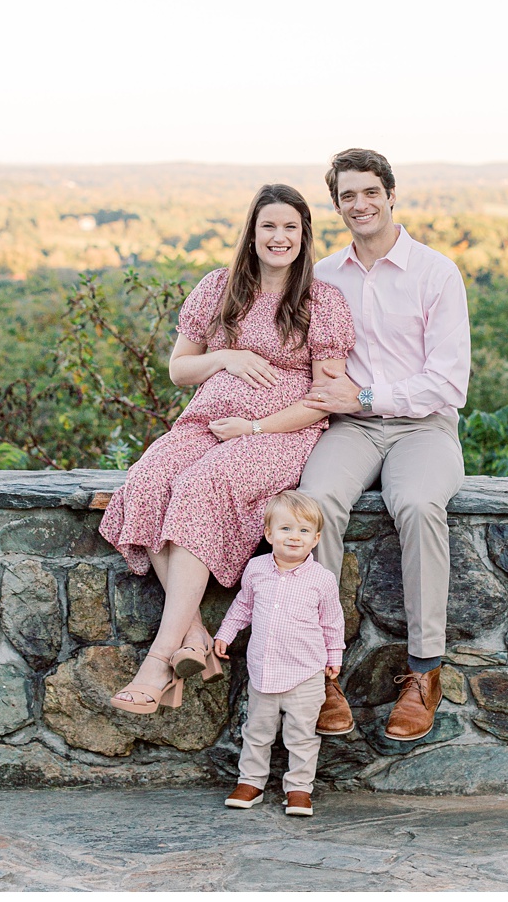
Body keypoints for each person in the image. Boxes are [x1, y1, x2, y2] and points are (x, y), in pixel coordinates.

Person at [98, 184, 355, 714]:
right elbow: (179, 369)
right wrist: (225, 358)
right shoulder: (219, 287)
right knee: (147, 481)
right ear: (251, 233)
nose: (279, 237)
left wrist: (255, 427)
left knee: (199, 486)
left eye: (290, 227)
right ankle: (195, 638)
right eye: (269, 226)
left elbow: (326, 397)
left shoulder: (321, 301)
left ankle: (159, 660)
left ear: (304, 235)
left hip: (278, 433)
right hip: (204, 423)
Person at [296, 147, 471, 741]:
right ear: (337, 204)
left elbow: (447, 383)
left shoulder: (436, 273)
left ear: (391, 195)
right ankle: (321, 672)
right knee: (314, 505)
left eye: (371, 192)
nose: (361, 204)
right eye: (348, 195)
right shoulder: (323, 276)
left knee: (418, 505)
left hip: (423, 426)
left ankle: (424, 671)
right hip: (352, 428)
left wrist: (367, 395)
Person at [216, 490, 345, 817]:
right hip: (264, 672)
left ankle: (299, 788)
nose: (294, 537)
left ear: (315, 539)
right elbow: (243, 606)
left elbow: (332, 622)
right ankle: (251, 782)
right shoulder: (256, 569)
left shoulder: (322, 580)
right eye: (286, 528)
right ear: (269, 533)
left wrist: (334, 656)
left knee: (301, 736)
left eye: (303, 530)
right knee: (256, 732)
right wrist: (226, 633)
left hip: (306, 674)